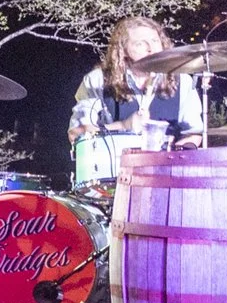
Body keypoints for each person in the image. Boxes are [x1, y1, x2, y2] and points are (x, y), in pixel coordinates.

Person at [70, 15, 209, 187]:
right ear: (123, 50)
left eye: (155, 41)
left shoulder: (183, 81)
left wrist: (172, 158)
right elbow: (76, 134)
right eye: (140, 43)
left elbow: (193, 134)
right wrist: (123, 126)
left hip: (167, 180)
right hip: (113, 183)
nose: (151, 49)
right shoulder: (97, 81)